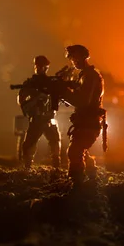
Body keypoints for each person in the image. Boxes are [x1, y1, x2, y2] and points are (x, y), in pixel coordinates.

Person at [61, 45, 105, 184]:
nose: (73, 61)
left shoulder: (91, 76)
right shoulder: (84, 75)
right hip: (84, 121)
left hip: (89, 122)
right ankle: (92, 179)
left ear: (83, 57)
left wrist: (63, 91)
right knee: (81, 150)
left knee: (74, 151)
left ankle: (77, 183)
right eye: (72, 58)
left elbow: (82, 101)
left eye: (75, 57)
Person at [17, 55, 61, 170]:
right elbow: (21, 100)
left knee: (55, 142)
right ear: (35, 66)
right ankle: (27, 168)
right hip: (36, 118)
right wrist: (36, 98)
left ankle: (56, 167)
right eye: (38, 65)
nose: (41, 68)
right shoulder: (30, 83)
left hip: (48, 118)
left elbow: (59, 97)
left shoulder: (51, 82)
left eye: (43, 66)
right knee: (28, 146)